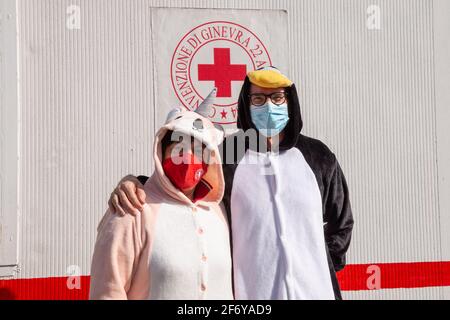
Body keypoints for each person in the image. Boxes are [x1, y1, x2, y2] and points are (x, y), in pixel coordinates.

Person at [108, 67, 354, 300]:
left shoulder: (317, 156)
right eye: (258, 99)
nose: (269, 106)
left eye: (278, 98)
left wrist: (320, 263)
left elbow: (341, 223)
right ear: (246, 104)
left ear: (291, 101)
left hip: (317, 292)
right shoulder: (229, 153)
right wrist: (137, 183)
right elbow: (182, 185)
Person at [89, 107, 233, 300]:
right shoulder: (131, 209)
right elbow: (107, 293)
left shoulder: (219, 210)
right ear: (162, 150)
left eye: (198, 149)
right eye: (178, 146)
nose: (187, 156)